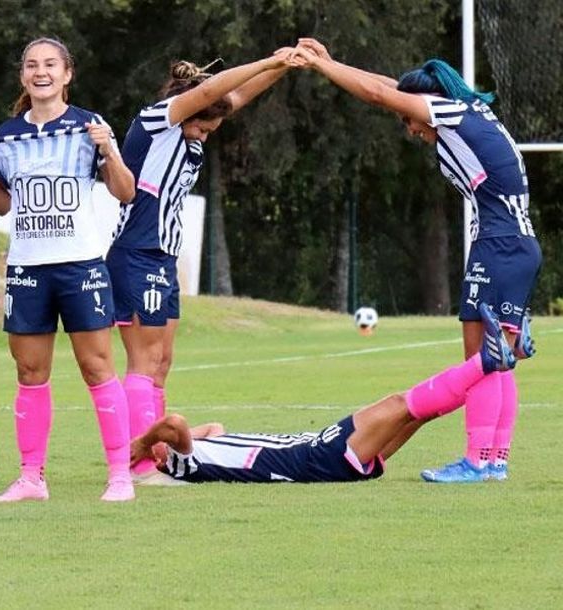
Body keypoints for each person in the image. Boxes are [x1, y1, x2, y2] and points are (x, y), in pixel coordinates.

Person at [290, 39, 540, 483]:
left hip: (498, 246)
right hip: (518, 247)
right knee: (497, 357)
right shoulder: (470, 112)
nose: (409, 128)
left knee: (481, 356)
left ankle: (478, 461)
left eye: (410, 119)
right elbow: (391, 90)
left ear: (428, 103)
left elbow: (379, 95)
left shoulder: (452, 114)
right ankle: (493, 460)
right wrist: (333, 60)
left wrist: (321, 70)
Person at [109, 52, 293, 485]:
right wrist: (265, 58)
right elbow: (211, 92)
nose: (206, 136)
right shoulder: (159, 120)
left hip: (163, 256)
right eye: (203, 127)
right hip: (136, 252)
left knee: (163, 361)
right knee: (143, 359)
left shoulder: (193, 127)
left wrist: (283, 66)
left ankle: (158, 455)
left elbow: (234, 96)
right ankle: (136, 463)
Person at [0, 37, 139, 502]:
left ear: (67, 74)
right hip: (27, 268)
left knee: (96, 366)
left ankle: (120, 477)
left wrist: (111, 151)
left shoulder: (90, 127)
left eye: (50, 65)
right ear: (23, 76)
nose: (40, 72)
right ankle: (30, 479)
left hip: (80, 264)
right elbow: (2, 206)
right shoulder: (5, 137)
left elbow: (125, 193)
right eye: (31, 65)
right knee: (29, 371)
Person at [130, 303, 523, 484]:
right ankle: (487, 363)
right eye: (160, 454)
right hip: (315, 456)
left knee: (419, 412)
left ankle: (497, 364)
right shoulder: (184, 464)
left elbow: (211, 427)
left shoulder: (199, 448)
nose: (163, 449)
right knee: (399, 403)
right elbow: (174, 424)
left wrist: (159, 444)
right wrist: (145, 444)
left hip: (316, 450)